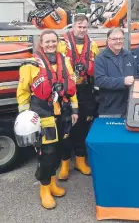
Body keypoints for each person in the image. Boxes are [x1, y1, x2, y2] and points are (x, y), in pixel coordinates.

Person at [17, 29, 78, 210]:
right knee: (47, 153)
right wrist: (25, 116)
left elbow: (71, 88)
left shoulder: (65, 61)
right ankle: (44, 188)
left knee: (59, 150)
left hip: (63, 114)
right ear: (41, 44)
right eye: (47, 42)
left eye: (54, 41)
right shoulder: (30, 64)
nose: (51, 45)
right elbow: (23, 92)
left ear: (58, 42)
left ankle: (52, 183)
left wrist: (74, 110)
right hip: (43, 115)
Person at [57, 14, 100, 180]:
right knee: (66, 128)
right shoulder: (61, 44)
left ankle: (80, 161)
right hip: (67, 92)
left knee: (82, 126)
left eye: (84, 27)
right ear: (73, 27)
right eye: (79, 26)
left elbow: (96, 66)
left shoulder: (93, 45)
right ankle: (65, 164)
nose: (82, 30)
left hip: (85, 90)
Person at [94, 28, 136, 117]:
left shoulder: (129, 56)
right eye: (115, 39)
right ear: (108, 40)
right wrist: (123, 81)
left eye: (121, 39)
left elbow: (136, 75)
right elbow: (100, 80)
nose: (118, 41)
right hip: (109, 108)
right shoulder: (101, 58)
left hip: (129, 108)